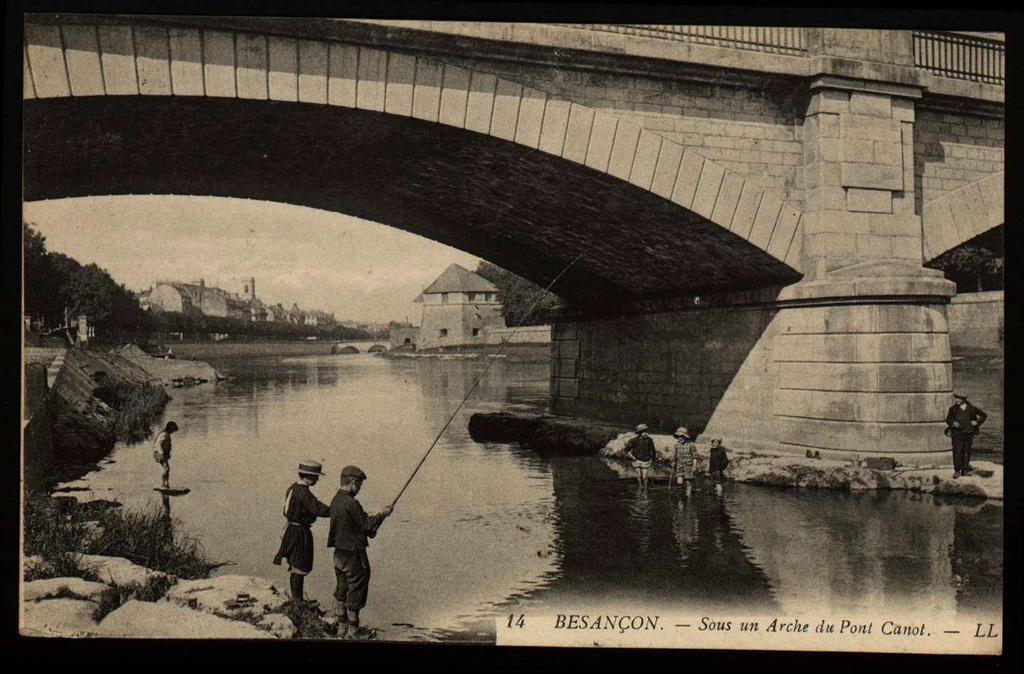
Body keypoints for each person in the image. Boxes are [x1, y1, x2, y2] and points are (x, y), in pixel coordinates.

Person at [328, 465, 394, 639]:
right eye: (360, 485)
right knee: (356, 590)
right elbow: (367, 526)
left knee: (342, 589)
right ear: (354, 483)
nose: (359, 490)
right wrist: (383, 514)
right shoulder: (352, 503)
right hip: (354, 555)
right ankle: (353, 632)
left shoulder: (336, 500)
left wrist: (373, 517)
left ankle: (342, 628)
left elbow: (353, 523)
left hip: (338, 554)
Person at [273, 460, 331, 605]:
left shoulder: (293, 488)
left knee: (295, 564)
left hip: (291, 529)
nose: (317, 479)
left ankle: (297, 598)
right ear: (307, 477)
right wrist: (335, 510)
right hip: (299, 531)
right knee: (299, 564)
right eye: (315, 477)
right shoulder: (304, 492)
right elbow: (318, 509)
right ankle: (298, 600)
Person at [945, 393, 987, 478]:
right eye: (956, 398)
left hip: (969, 432)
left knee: (967, 451)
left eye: (958, 398)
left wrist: (977, 422)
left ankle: (965, 470)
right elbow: (948, 419)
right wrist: (953, 423)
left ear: (964, 399)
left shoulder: (972, 408)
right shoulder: (953, 409)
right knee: (957, 451)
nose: (956, 400)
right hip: (957, 433)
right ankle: (957, 470)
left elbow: (983, 415)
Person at [625, 423, 656, 490]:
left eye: (646, 431)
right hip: (636, 460)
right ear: (639, 433)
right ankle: (640, 487)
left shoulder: (649, 440)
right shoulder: (635, 440)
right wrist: (632, 457)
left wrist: (652, 459)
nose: (645, 433)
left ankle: (645, 488)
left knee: (644, 476)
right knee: (639, 475)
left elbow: (653, 450)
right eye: (643, 432)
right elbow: (626, 449)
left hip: (646, 460)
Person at [671, 427, 698, 495]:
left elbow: (695, 457)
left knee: (688, 482)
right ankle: (682, 495)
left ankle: (688, 496)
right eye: (679, 437)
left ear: (685, 437)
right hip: (680, 465)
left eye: (682, 436)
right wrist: (673, 462)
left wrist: (694, 466)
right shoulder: (676, 445)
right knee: (679, 481)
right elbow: (674, 455)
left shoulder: (691, 444)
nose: (680, 438)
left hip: (689, 465)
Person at [152, 421, 179, 489]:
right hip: (159, 453)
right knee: (166, 468)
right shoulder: (164, 434)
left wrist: (167, 454)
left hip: (162, 453)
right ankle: (163, 485)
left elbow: (167, 446)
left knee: (167, 469)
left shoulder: (166, 434)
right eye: (173, 430)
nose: (173, 432)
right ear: (170, 428)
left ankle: (166, 484)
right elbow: (158, 444)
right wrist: (162, 453)